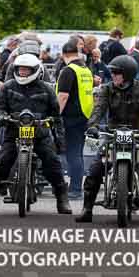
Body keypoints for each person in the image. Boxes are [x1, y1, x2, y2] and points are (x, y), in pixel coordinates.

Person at [76, 55, 139, 224]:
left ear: (127, 74)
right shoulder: (106, 89)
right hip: (113, 135)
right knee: (95, 170)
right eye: (112, 72)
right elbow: (98, 109)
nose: (113, 75)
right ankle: (87, 209)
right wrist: (93, 126)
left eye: (117, 73)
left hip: (137, 135)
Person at [0, 54, 72, 215]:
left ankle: (62, 198)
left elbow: (56, 115)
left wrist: (60, 140)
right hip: (14, 132)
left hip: (40, 134)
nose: (22, 72)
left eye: (26, 70)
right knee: (2, 162)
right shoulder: (8, 86)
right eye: (20, 70)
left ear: (35, 70)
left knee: (52, 162)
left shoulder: (47, 89)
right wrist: (2, 117)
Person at [55, 40, 94, 200]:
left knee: (72, 154)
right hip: (84, 115)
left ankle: (75, 189)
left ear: (64, 55)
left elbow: (63, 96)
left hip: (70, 116)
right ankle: (76, 187)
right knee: (77, 152)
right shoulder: (85, 69)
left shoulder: (68, 70)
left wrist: (55, 115)